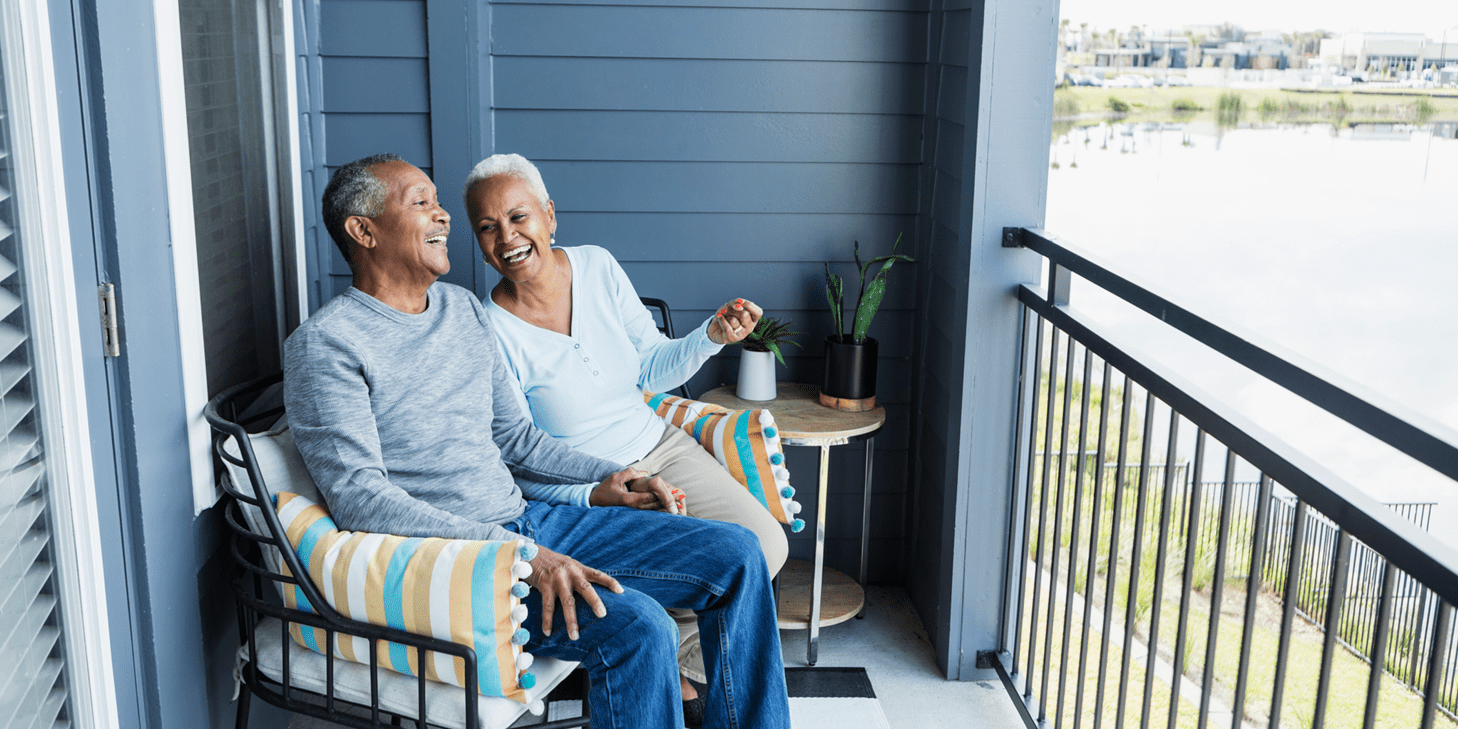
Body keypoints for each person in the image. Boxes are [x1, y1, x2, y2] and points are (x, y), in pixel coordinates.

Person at [283, 153, 790, 729]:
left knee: (739, 553)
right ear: (363, 230)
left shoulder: (458, 311)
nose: (444, 216)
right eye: (421, 202)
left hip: (530, 522)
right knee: (642, 626)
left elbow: (516, 437)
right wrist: (518, 557)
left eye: (438, 201)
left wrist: (604, 477)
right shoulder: (326, 345)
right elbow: (360, 499)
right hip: (466, 566)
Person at [462, 153, 789, 712]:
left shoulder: (596, 266)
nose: (507, 237)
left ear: (549, 215)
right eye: (488, 228)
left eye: (519, 217)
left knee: (766, 545)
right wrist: (600, 489)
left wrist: (710, 336)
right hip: (588, 492)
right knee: (683, 583)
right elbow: (519, 458)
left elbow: (650, 368)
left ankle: (675, 661)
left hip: (658, 444)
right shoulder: (486, 327)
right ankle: (668, 673)